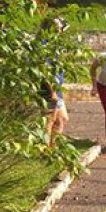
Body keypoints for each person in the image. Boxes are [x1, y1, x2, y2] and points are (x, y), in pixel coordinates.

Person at [40, 17, 69, 148]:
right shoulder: (44, 45)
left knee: (62, 119)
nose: (61, 31)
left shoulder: (55, 45)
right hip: (48, 88)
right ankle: (46, 149)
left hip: (57, 88)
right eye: (58, 29)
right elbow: (44, 71)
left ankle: (53, 147)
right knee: (50, 120)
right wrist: (52, 92)